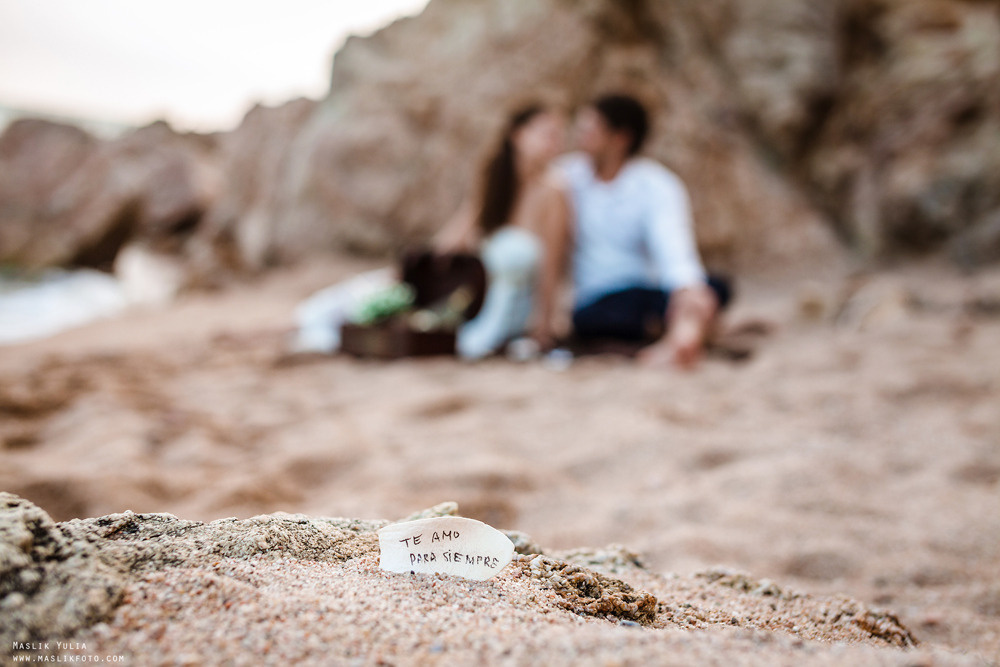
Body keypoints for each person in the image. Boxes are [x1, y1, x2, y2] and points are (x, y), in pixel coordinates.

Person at [558, 93, 730, 369]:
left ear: (620, 138)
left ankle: (679, 334)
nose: (580, 135)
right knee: (593, 318)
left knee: (713, 286)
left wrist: (687, 288)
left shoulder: (655, 183)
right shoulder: (565, 178)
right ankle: (683, 332)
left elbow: (673, 243)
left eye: (590, 129)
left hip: (649, 289)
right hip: (600, 297)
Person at [436, 103, 569, 359]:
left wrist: (544, 324)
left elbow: (553, 264)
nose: (555, 143)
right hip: (475, 302)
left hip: (517, 314)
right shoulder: (496, 180)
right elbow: (455, 236)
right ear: (517, 134)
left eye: (558, 136)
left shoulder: (554, 191)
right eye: (547, 134)